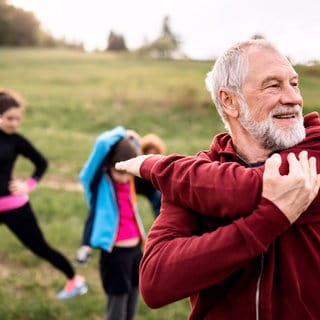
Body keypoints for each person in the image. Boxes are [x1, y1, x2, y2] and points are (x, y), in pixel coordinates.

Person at [115, 39, 320, 319]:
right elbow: (154, 281)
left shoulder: (316, 144)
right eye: (273, 85)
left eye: (294, 83)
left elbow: (245, 189)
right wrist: (269, 219)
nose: (294, 98)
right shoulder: (195, 176)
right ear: (230, 101)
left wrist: (157, 166)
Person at [0, 89, 87, 299]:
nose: (14, 123)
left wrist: (28, 184)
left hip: (14, 206)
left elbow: (42, 163)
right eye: (9, 118)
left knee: (40, 247)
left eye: (17, 119)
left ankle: (75, 281)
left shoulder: (17, 141)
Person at [77, 127, 145, 320]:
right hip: (115, 255)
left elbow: (136, 151)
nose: (125, 178)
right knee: (117, 307)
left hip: (135, 251)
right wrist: (123, 132)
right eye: (120, 172)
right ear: (108, 165)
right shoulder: (98, 184)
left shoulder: (129, 181)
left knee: (132, 303)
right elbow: (101, 143)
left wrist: (132, 140)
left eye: (128, 173)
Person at [134, 133, 166, 217]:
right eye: (148, 153)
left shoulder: (159, 167)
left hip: (151, 188)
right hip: (136, 184)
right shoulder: (136, 162)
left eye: (154, 154)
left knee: (159, 200)